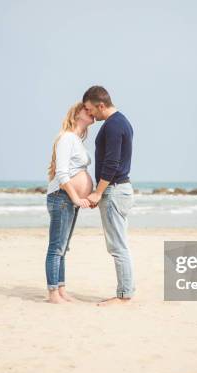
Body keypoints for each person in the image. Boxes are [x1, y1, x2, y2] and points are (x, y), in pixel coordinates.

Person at [83, 86, 135, 306]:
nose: (89, 114)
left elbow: (112, 163)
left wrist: (97, 192)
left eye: (90, 109)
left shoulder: (113, 125)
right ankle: (127, 290)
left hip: (114, 190)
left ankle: (124, 295)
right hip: (119, 189)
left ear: (100, 105)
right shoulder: (122, 121)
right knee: (120, 244)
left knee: (117, 246)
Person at [45, 102, 95, 304]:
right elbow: (62, 173)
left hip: (69, 200)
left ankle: (62, 289)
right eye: (86, 109)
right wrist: (76, 197)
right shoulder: (66, 138)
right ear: (77, 114)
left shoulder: (76, 140)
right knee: (56, 247)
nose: (91, 112)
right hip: (62, 197)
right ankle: (52, 293)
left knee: (63, 247)